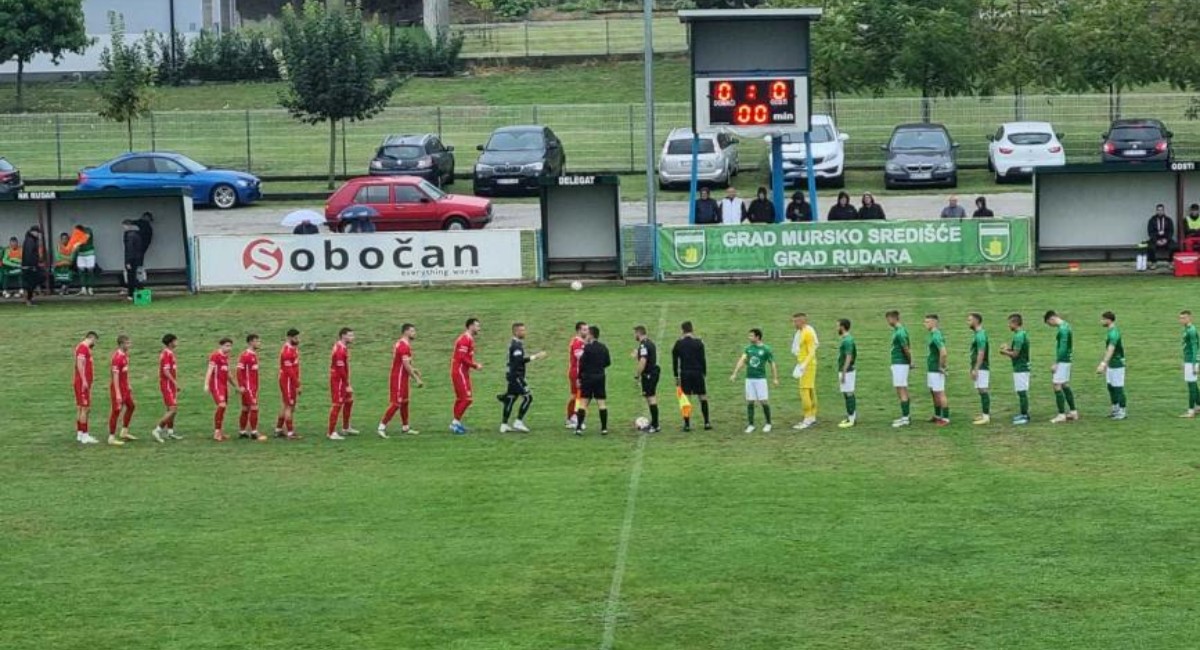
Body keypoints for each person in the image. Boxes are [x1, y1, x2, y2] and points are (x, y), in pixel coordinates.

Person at [498, 322, 546, 433]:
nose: (524, 332)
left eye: (524, 330)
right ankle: (518, 422)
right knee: (528, 398)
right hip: (516, 376)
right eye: (522, 330)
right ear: (516, 332)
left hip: (511, 376)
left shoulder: (514, 344)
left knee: (511, 398)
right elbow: (519, 361)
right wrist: (536, 356)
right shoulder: (516, 346)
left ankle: (504, 425)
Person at [730, 328, 778, 433]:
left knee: (763, 401)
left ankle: (768, 423)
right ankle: (751, 424)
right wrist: (735, 373)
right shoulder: (748, 349)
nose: (749, 337)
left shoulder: (766, 349)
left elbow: (772, 364)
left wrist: (775, 378)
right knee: (750, 401)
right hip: (749, 379)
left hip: (760, 379)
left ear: (757, 337)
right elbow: (742, 360)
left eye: (751, 336)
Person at [379, 324, 424, 438]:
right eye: (412, 331)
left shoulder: (402, 344)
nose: (414, 333)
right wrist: (417, 379)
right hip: (398, 378)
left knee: (405, 402)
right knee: (396, 403)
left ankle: (405, 427)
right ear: (406, 332)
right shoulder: (403, 346)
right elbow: (405, 365)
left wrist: (414, 369)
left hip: (403, 377)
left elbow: (404, 363)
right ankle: (381, 427)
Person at [672, 320, 711, 431]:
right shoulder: (699, 343)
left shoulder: (678, 344)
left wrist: (676, 375)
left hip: (685, 373)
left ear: (682, 330)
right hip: (698, 372)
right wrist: (704, 372)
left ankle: (687, 424)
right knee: (702, 397)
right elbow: (703, 359)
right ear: (692, 329)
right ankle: (707, 422)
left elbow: (675, 361)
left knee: (686, 399)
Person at [575, 325, 611, 435]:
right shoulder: (603, 347)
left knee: (583, 402)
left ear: (591, 335)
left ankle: (579, 428)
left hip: (587, 378)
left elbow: (582, 364)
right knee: (601, 403)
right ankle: (604, 428)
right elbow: (608, 362)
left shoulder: (587, 348)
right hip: (600, 377)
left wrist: (579, 378)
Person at [1044, 310, 1078, 423]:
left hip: (1063, 360)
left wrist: (1056, 363)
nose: (1050, 325)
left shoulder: (1063, 329)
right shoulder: (1067, 326)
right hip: (1067, 359)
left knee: (1056, 385)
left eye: (1049, 323)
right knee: (1065, 384)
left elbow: (1063, 347)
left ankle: (1061, 414)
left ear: (1051, 319)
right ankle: (1073, 412)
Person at [451, 318, 483, 434]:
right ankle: (454, 423)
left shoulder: (468, 339)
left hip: (462, 372)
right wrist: (475, 365)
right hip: (459, 372)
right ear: (470, 326)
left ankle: (457, 423)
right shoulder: (464, 339)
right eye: (477, 326)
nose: (479, 328)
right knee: (467, 399)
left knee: (461, 399)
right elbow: (462, 357)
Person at [999, 313, 1031, 425]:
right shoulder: (1021, 334)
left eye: (1009, 323)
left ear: (1015, 323)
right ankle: (1023, 414)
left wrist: (1004, 352)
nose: (1008, 325)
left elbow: (1015, 354)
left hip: (1021, 368)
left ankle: (1025, 416)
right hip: (1021, 367)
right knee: (1020, 391)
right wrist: (1008, 348)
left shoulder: (1019, 336)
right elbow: (1017, 351)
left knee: (1022, 392)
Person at [204, 337, 238, 442]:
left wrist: (236, 386)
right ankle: (217, 432)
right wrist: (206, 384)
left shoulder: (226, 357)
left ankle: (220, 431)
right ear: (221, 346)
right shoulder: (215, 356)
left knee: (223, 408)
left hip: (223, 386)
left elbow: (228, 374)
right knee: (221, 405)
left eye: (230, 346)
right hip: (216, 385)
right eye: (227, 346)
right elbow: (209, 370)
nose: (229, 348)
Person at [1096, 311, 1127, 420]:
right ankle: (1115, 408)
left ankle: (1122, 411)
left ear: (1108, 320)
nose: (1101, 321)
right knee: (1110, 386)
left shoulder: (1114, 333)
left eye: (1103, 319)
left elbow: (1111, 349)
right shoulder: (1110, 331)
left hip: (1117, 364)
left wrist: (1103, 363)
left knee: (1118, 387)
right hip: (1111, 364)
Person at [327, 327, 357, 440]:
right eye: (350, 335)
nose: (352, 338)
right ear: (343, 336)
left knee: (349, 401)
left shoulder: (343, 347)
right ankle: (331, 432)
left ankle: (346, 427)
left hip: (342, 379)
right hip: (338, 381)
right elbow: (340, 370)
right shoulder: (339, 350)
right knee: (337, 404)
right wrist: (347, 384)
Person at [791, 312, 819, 430]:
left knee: (804, 391)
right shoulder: (803, 331)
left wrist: (803, 365)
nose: (793, 324)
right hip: (807, 364)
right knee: (811, 390)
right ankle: (812, 416)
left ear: (802, 321)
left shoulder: (807, 333)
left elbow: (811, 351)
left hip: (807, 366)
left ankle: (807, 418)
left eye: (795, 321)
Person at [152, 333, 182, 443]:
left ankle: (170, 432)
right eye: (175, 341)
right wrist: (175, 383)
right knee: (173, 409)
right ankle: (157, 430)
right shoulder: (166, 354)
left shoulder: (170, 353)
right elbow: (165, 371)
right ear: (170, 343)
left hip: (170, 385)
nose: (177, 342)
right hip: (167, 385)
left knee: (172, 409)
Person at [886, 311, 914, 428]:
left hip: (900, 364)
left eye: (888, 319)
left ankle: (905, 418)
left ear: (893, 318)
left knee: (901, 390)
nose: (888, 322)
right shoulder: (899, 331)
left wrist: (910, 361)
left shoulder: (900, 332)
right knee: (902, 389)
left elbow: (906, 348)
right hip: (899, 364)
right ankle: (906, 416)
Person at [273, 329, 302, 440]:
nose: (298, 340)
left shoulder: (293, 349)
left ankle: (278, 429)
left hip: (289, 380)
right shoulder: (287, 352)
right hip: (288, 381)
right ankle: (290, 433)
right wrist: (297, 384)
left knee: (286, 405)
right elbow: (289, 371)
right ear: (289, 338)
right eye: (295, 338)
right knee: (290, 406)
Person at [108, 334, 136, 446]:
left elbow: (125, 373)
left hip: (125, 388)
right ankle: (111, 437)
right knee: (116, 411)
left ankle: (124, 432)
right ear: (121, 344)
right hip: (118, 389)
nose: (129, 345)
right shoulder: (117, 358)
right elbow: (115, 376)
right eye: (127, 343)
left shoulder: (125, 355)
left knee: (131, 406)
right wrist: (118, 393)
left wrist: (128, 384)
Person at [237, 334, 267, 441]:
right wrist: (241, 385)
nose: (259, 343)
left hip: (252, 387)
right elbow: (239, 371)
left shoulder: (254, 355)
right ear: (250, 342)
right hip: (248, 387)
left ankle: (242, 432)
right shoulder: (245, 355)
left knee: (245, 408)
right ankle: (254, 432)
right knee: (254, 408)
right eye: (256, 341)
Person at [73, 331, 100, 445]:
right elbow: (80, 363)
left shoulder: (83, 348)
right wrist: (84, 380)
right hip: (82, 383)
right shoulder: (83, 348)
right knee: (85, 408)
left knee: (81, 408)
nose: (94, 344)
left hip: (83, 382)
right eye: (95, 341)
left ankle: (80, 433)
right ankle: (85, 435)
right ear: (92, 338)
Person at [633, 325, 661, 433]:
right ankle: (655, 423)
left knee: (651, 398)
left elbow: (643, 362)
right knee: (650, 397)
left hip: (649, 374)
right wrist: (637, 356)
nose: (634, 336)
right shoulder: (650, 343)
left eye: (635, 333)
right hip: (653, 372)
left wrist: (637, 375)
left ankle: (655, 425)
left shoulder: (643, 345)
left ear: (638, 333)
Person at [925, 314, 950, 426]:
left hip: (936, 369)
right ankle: (937, 415)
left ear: (934, 322)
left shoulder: (936, 336)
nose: (925, 324)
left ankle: (945, 418)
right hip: (931, 368)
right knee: (934, 392)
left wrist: (941, 367)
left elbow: (943, 352)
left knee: (940, 393)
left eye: (927, 322)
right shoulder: (932, 335)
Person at [967, 313, 991, 425]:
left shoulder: (980, 335)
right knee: (980, 390)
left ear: (976, 321)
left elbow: (981, 352)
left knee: (983, 390)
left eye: (969, 320)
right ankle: (984, 414)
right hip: (979, 366)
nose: (968, 322)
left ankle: (986, 417)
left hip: (982, 367)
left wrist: (976, 368)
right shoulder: (978, 334)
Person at [835, 318, 858, 429]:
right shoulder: (846, 339)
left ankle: (852, 419)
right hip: (845, 370)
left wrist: (844, 372)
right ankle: (850, 416)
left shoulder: (847, 341)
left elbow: (849, 356)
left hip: (847, 371)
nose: (836, 328)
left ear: (842, 327)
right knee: (846, 393)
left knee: (849, 394)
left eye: (838, 326)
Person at [566, 321, 587, 429]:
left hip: (579, 372)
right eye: (584, 330)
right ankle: (573, 417)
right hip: (576, 373)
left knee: (578, 395)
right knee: (577, 396)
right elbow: (581, 357)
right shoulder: (577, 342)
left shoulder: (581, 342)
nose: (587, 332)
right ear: (579, 330)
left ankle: (573, 417)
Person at [1180, 311, 1200, 418]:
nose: (1181, 320)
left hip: (1191, 362)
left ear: (1189, 318)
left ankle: (1191, 411)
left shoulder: (1191, 330)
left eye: (1184, 318)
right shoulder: (1187, 329)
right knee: (1193, 385)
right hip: (1188, 361)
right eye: (1180, 318)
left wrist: (1195, 364)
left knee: (1191, 386)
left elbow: (1195, 348)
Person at [69, 224, 97, 296]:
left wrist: (77, 243)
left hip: (89, 254)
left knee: (90, 271)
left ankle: (90, 289)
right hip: (81, 255)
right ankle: (83, 289)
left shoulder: (88, 230)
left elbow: (86, 237)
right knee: (81, 271)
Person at [1146, 204, 1176, 269]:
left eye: (1161, 210)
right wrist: (1156, 240)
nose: (1160, 211)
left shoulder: (1168, 220)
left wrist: (1166, 240)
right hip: (1155, 238)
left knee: (1174, 246)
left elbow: (1171, 231)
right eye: (1158, 210)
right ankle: (1153, 263)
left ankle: (1170, 262)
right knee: (1150, 247)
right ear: (1156, 211)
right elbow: (1150, 232)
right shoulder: (1152, 220)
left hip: (1166, 238)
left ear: (1164, 211)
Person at [121, 220, 143, 301]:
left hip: (131, 259)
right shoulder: (138, 234)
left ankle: (131, 295)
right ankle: (139, 291)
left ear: (127, 226)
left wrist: (128, 261)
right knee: (135, 276)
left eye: (124, 226)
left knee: (131, 277)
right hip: (137, 258)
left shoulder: (129, 235)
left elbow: (129, 249)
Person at [20, 225, 42, 306]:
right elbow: (29, 254)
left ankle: (27, 299)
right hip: (29, 266)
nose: (38, 234)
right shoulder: (30, 241)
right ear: (33, 232)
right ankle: (28, 300)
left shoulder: (30, 239)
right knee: (30, 284)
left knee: (29, 283)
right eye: (37, 232)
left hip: (28, 265)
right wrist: (32, 266)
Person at [132, 211, 154, 285]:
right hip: (140, 248)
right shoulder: (145, 226)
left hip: (137, 248)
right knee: (138, 264)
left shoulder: (138, 224)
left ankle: (136, 280)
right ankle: (138, 281)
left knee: (136, 264)